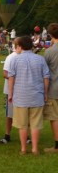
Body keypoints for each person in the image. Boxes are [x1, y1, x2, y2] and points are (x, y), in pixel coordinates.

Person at [8, 35, 50, 155]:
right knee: (35, 124)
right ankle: (35, 148)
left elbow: (11, 78)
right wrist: (45, 93)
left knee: (22, 125)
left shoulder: (15, 59)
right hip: (37, 96)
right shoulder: (40, 59)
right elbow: (46, 77)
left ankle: (23, 149)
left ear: (20, 46)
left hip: (20, 97)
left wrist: (10, 94)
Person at [0, 40, 18, 144]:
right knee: (10, 114)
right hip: (10, 90)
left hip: (22, 90)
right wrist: (17, 79)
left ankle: (27, 136)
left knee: (25, 113)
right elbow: (4, 73)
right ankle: (7, 135)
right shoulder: (10, 57)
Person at [44, 22, 58, 153]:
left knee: (54, 117)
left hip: (54, 88)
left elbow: (44, 72)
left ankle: (57, 145)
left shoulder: (49, 51)